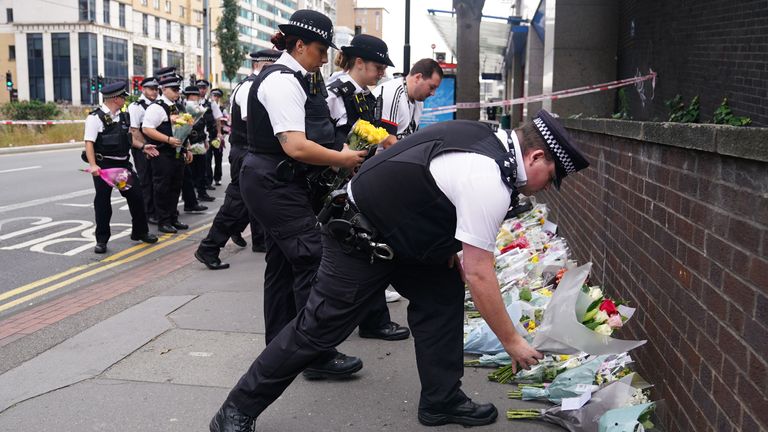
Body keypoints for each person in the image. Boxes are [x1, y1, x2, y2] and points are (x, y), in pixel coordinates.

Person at [208, 111, 591, 431]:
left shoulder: (486, 138)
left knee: (441, 294)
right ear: (537, 156)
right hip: (359, 239)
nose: (545, 189)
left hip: (405, 238)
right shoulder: (487, 175)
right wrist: (512, 341)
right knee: (317, 328)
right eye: (552, 178)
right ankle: (236, 409)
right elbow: (480, 274)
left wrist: (446, 248)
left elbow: (433, 193)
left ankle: (441, 399)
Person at [235, 8, 368, 393]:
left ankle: (280, 345)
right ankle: (315, 353)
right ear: (299, 45)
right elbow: (294, 145)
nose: (324, 58)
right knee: (311, 256)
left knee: (280, 265)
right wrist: (342, 158)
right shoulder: (281, 82)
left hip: (277, 182)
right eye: (320, 49)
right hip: (273, 183)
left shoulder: (298, 78)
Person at [325, 34, 409, 342]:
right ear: (358, 62)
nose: (382, 73)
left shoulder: (364, 95)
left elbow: (378, 133)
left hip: (361, 180)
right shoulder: (335, 93)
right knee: (353, 252)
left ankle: (372, 319)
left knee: (368, 248)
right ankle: (328, 329)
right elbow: (322, 138)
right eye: (377, 66)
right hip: (338, 184)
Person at [195, 49, 282, 270]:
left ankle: (257, 240)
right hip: (246, 152)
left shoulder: (252, 85)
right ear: (265, 65)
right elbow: (256, 122)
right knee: (236, 203)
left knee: (247, 201)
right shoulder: (250, 87)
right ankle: (209, 248)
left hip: (249, 151)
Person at [84, 82, 158, 254]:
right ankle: (101, 240)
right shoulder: (95, 118)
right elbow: (89, 143)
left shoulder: (124, 116)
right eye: (123, 96)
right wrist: (93, 165)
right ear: (115, 99)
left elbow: (130, 139)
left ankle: (140, 232)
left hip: (123, 165)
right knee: (103, 203)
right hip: (104, 167)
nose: (125, 99)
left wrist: (142, 146)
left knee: (137, 197)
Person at [142, 74, 192, 234]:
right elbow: (147, 128)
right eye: (174, 89)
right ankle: (163, 220)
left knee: (175, 186)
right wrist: (168, 139)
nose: (177, 92)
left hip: (177, 152)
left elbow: (185, 130)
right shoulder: (156, 107)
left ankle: (173, 217)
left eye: (178, 89)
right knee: (162, 188)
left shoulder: (178, 106)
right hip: (163, 153)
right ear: (164, 89)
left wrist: (187, 148)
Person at [375, 58, 443, 148]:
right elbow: (388, 143)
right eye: (431, 87)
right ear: (418, 78)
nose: (433, 93)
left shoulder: (418, 101)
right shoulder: (392, 92)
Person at [128, 77, 161, 224]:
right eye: (150, 89)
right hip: (143, 148)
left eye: (155, 89)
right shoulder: (136, 107)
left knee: (157, 180)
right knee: (146, 181)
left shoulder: (157, 104)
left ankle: (157, 209)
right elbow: (135, 130)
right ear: (143, 89)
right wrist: (145, 148)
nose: (154, 92)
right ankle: (148, 212)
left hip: (156, 147)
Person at [180, 85, 209, 214]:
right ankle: (190, 202)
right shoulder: (184, 107)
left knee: (201, 170)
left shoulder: (197, 108)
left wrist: (205, 140)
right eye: (194, 95)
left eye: (197, 95)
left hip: (199, 142)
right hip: (189, 144)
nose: (196, 98)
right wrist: (187, 146)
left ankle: (199, 195)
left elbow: (203, 126)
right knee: (189, 175)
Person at [197, 79, 224, 190]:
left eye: (204, 88)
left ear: (207, 89)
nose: (202, 90)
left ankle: (215, 179)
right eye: (200, 88)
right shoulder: (192, 102)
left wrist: (219, 133)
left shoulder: (211, 104)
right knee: (205, 160)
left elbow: (218, 119)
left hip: (212, 135)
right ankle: (206, 181)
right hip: (200, 136)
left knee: (217, 157)